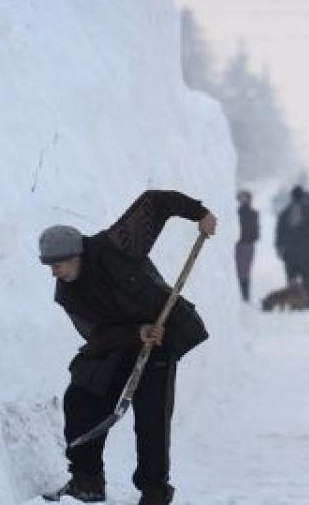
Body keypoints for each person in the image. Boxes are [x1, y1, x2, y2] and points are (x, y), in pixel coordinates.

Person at [40, 190, 218, 505]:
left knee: (151, 415)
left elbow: (154, 202)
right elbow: (95, 336)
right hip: (119, 341)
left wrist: (199, 213)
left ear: (76, 254)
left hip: (163, 334)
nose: (54, 272)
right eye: (50, 266)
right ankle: (87, 481)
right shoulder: (67, 293)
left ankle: (154, 492)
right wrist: (136, 333)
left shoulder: (117, 246)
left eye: (58, 264)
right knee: (81, 398)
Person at [274, 186, 309, 308]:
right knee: (307, 278)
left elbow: (279, 232)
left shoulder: (285, 212)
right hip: (306, 251)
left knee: (291, 277)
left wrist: (279, 247)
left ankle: (293, 302)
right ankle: (308, 302)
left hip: (290, 251)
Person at [235, 190, 259, 303]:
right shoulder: (239, 212)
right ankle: (244, 296)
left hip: (246, 245)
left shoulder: (251, 213)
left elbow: (255, 232)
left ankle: (245, 296)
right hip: (243, 244)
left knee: (244, 271)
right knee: (241, 271)